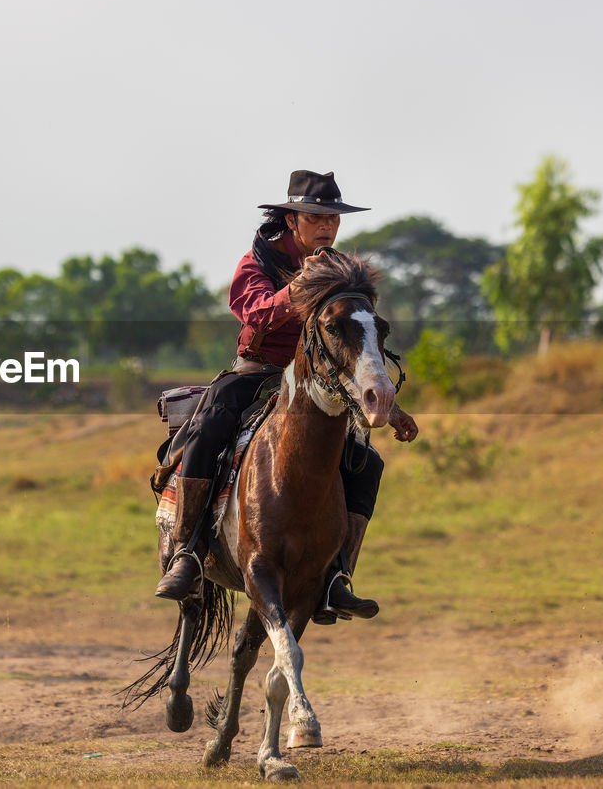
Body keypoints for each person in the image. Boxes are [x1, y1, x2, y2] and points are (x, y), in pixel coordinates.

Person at [154, 170, 420, 624]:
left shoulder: (341, 273)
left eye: (333, 219)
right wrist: (293, 292)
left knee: (368, 462)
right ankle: (188, 551)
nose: (327, 226)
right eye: (316, 216)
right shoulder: (255, 263)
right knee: (210, 425)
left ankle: (337, 577)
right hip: (257, 373)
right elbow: (253, 317)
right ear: (292, 218)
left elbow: (358, 342)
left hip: (320, 382)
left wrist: (387, 406)